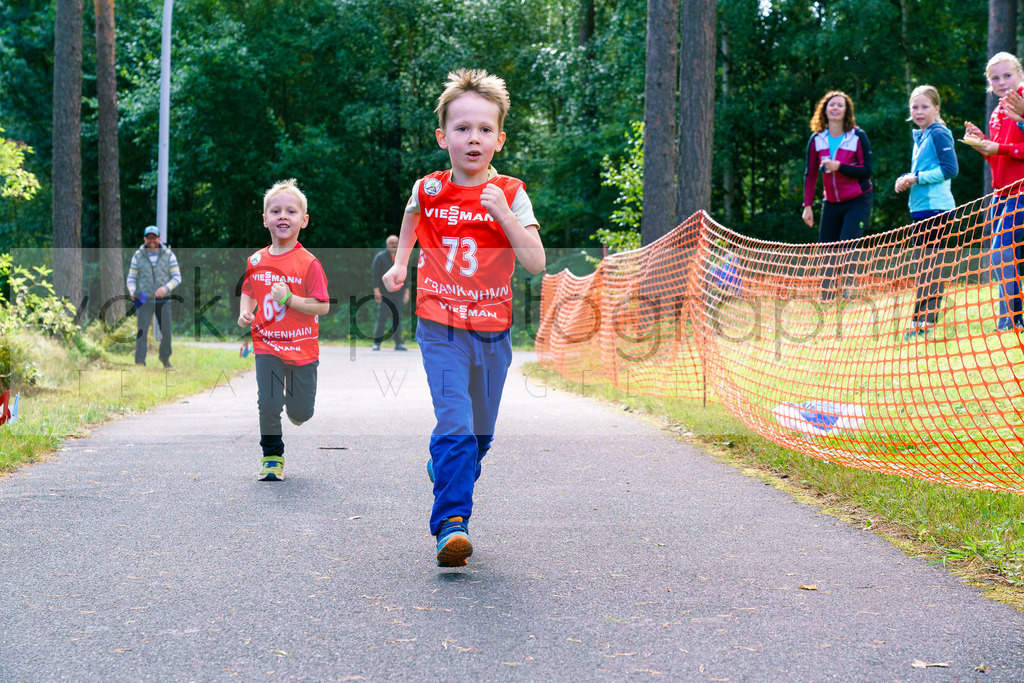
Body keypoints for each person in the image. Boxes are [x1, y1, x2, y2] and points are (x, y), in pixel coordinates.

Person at [381, 68, 545, 567]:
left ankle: (442, 464)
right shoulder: (428, 189)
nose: (473, 138)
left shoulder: (511, 192)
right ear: (442, 136)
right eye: (462, 128)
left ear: (499, 137)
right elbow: (411, 216)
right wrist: (400, 261)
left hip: (492, 332)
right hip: (440, 325)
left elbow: (536, 262)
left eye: (484, 129)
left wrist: (504, 214)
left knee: (481, 436)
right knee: (455, 420)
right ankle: (452, 524)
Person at [237, 179, 330, 481]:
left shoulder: (309, 263)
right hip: (267, 345)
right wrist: (245, 311)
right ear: (265, 219)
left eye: (291, 211)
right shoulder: (256, 260)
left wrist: (289, 299)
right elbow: (248, 289)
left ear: (304, 220)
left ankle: (296, 407)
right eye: (275, 211)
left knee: (301, 413)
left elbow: (322, 306)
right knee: (268, 402)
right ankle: (272, 455)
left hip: (303, 349)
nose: (283, 216)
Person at [964, 52, 1024, 332]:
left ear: (1020, 74)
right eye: (995, 78)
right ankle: (1012, 319)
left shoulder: (1021, 103)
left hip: (1021, 192)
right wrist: (983, 144)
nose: (1002, 82)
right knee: (1001, 256)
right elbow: (997, 157)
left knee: (1002, 253)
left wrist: (998, 147)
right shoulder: (997, 112)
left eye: (1007, 75)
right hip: (1000, 196)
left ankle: (1010, 321)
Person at [894, 85, 958, 339]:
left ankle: (924, 323)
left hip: (937, 210)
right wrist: (905, 178)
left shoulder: (939, 133)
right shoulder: (921, 135)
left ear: (936, 109)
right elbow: (920, 172)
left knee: (931, 267)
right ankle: (921, 322)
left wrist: (915, 177)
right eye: (915, 107)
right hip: (920, 210)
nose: (919, 112)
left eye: (924, 106)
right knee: (923, 267)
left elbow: (950, 169)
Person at [801, 90, 874, 301]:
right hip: (831, 202)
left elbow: (866, 170)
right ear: (824, 109)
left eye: (840, 105)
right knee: (826, 252)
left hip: (858, 199)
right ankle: (827, 298)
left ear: (846, 110)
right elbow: (811, 173)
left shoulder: (858, 136)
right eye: (831, 104)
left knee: (846, 246)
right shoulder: (816, 139)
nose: (835, 108)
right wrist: (807, 206)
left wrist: (839, 166)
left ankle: (846, 292)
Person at [126, 225, 181, 368]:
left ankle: (165, 359)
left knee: (167, 333)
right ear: (145, 239)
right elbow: (131, 278)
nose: (151, 240)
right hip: (144, 298)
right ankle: (139, 362)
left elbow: (177, 277)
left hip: (164, 299)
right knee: (142, 331)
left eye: (154, 237)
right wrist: (132, 291)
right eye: (148, 237)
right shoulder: (138, 256)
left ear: (159, 239)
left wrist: (166, 288)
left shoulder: (169, 255)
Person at [371, 234, 410, 350]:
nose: (394, 245)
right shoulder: (380, 257)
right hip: (384, 293)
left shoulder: (402, 258)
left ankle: (398, 343)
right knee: (382, 317)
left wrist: (406, 293)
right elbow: (375, 275)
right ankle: (377, 343)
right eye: (391, 243)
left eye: (396, 243)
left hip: (399, 293)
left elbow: (406, 277)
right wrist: (376, 291)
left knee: (397, 317)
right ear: (387, 245)